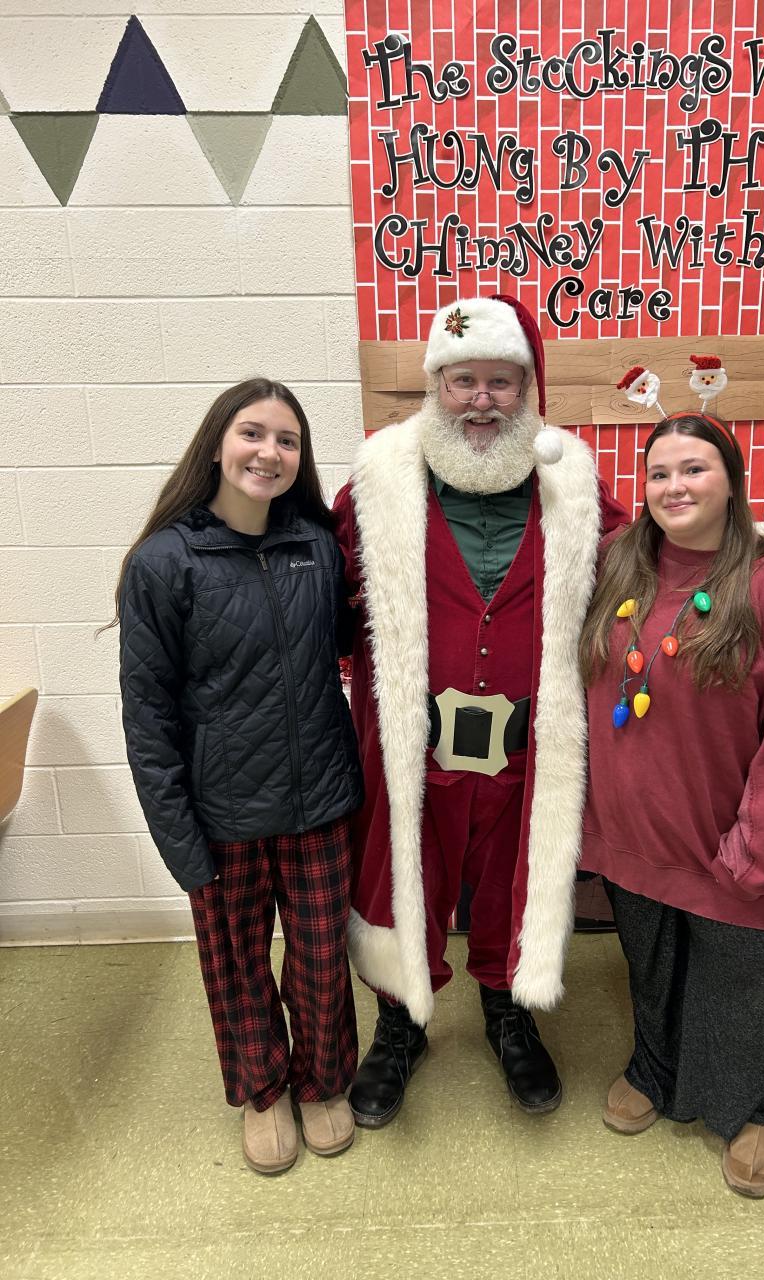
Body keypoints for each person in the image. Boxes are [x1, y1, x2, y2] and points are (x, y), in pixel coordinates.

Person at [334, 295, 627, 1127]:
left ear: (528, 389)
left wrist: (736, 559)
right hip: (413, 744)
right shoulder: (379, 479)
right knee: (405, 878)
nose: (482, 399)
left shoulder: (571, 480)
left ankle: (508, 1012)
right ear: (437, 385)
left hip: (526, 746)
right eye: (464, 380)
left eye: (501, 381)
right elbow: (322, 583)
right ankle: (400, 1024)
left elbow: (638, 568)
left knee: (511, 882)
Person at [578, 412, 764, 1198]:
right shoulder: (616, 565)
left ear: (731, 481)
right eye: (659, 473)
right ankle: (654, 1068)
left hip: (725, 837)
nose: (674, 487)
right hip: (632, 831)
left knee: (742, 977)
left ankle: (756, 1109)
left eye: (694, 469)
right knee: (650, 966)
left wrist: (761, 842)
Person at [114, 379, 364, 1174]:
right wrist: (178, 839)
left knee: (320, 962)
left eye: (287, 440)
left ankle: (322, 1081)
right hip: (220, 814)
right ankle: (263, 1092)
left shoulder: (318, 547)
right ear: (217, 442)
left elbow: (359, 639)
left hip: (319, 801)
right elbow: (147, 718)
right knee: (237, 969)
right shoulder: (164, 563)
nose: (269, 452)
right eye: (253, 433)